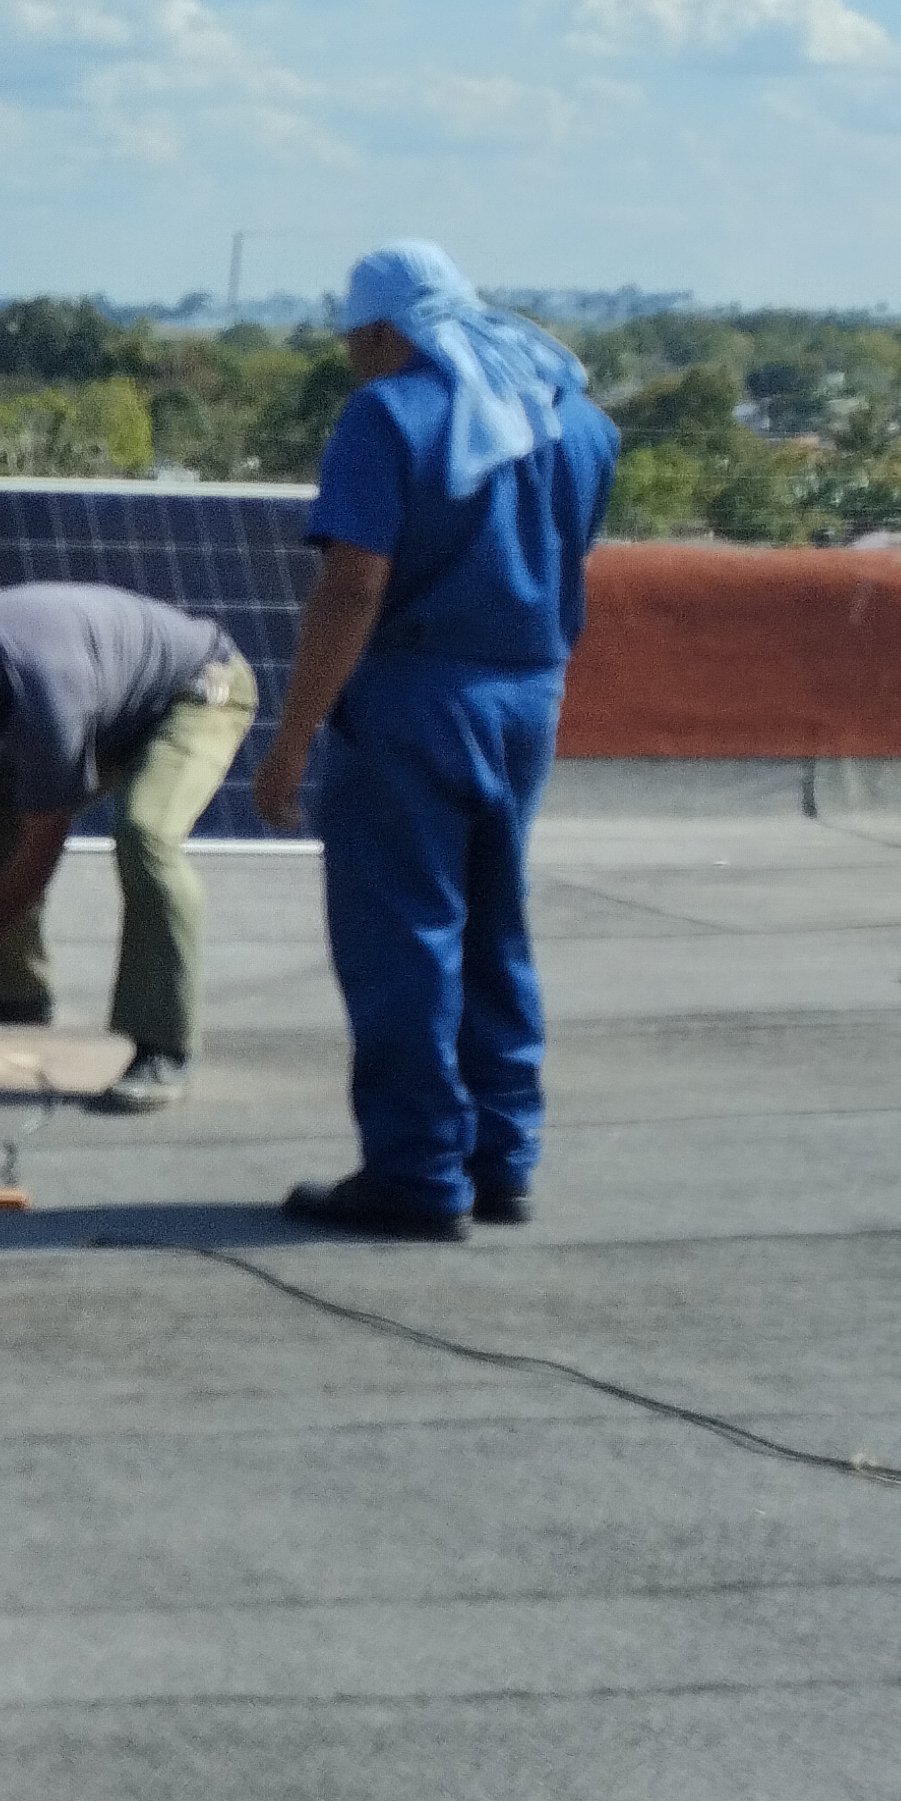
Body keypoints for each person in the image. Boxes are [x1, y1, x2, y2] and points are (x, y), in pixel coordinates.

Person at [254, 239, 621, 1239]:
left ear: (382, 330)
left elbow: (354, 581)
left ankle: (417, 1170)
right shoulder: (573, 416)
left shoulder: (388, 414)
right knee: (496, 925)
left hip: (418, 695)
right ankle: (500, 1155)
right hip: (528, 694)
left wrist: (291, 740)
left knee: (406, 936)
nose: (351, 361)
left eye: (352, 341)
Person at [0, 584, 258, 1113]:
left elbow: (44, 839)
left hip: (196, 691)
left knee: (144, 834)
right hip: (111, 697)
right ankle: (10, 993)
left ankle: (162, 1048)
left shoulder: (48, 693)